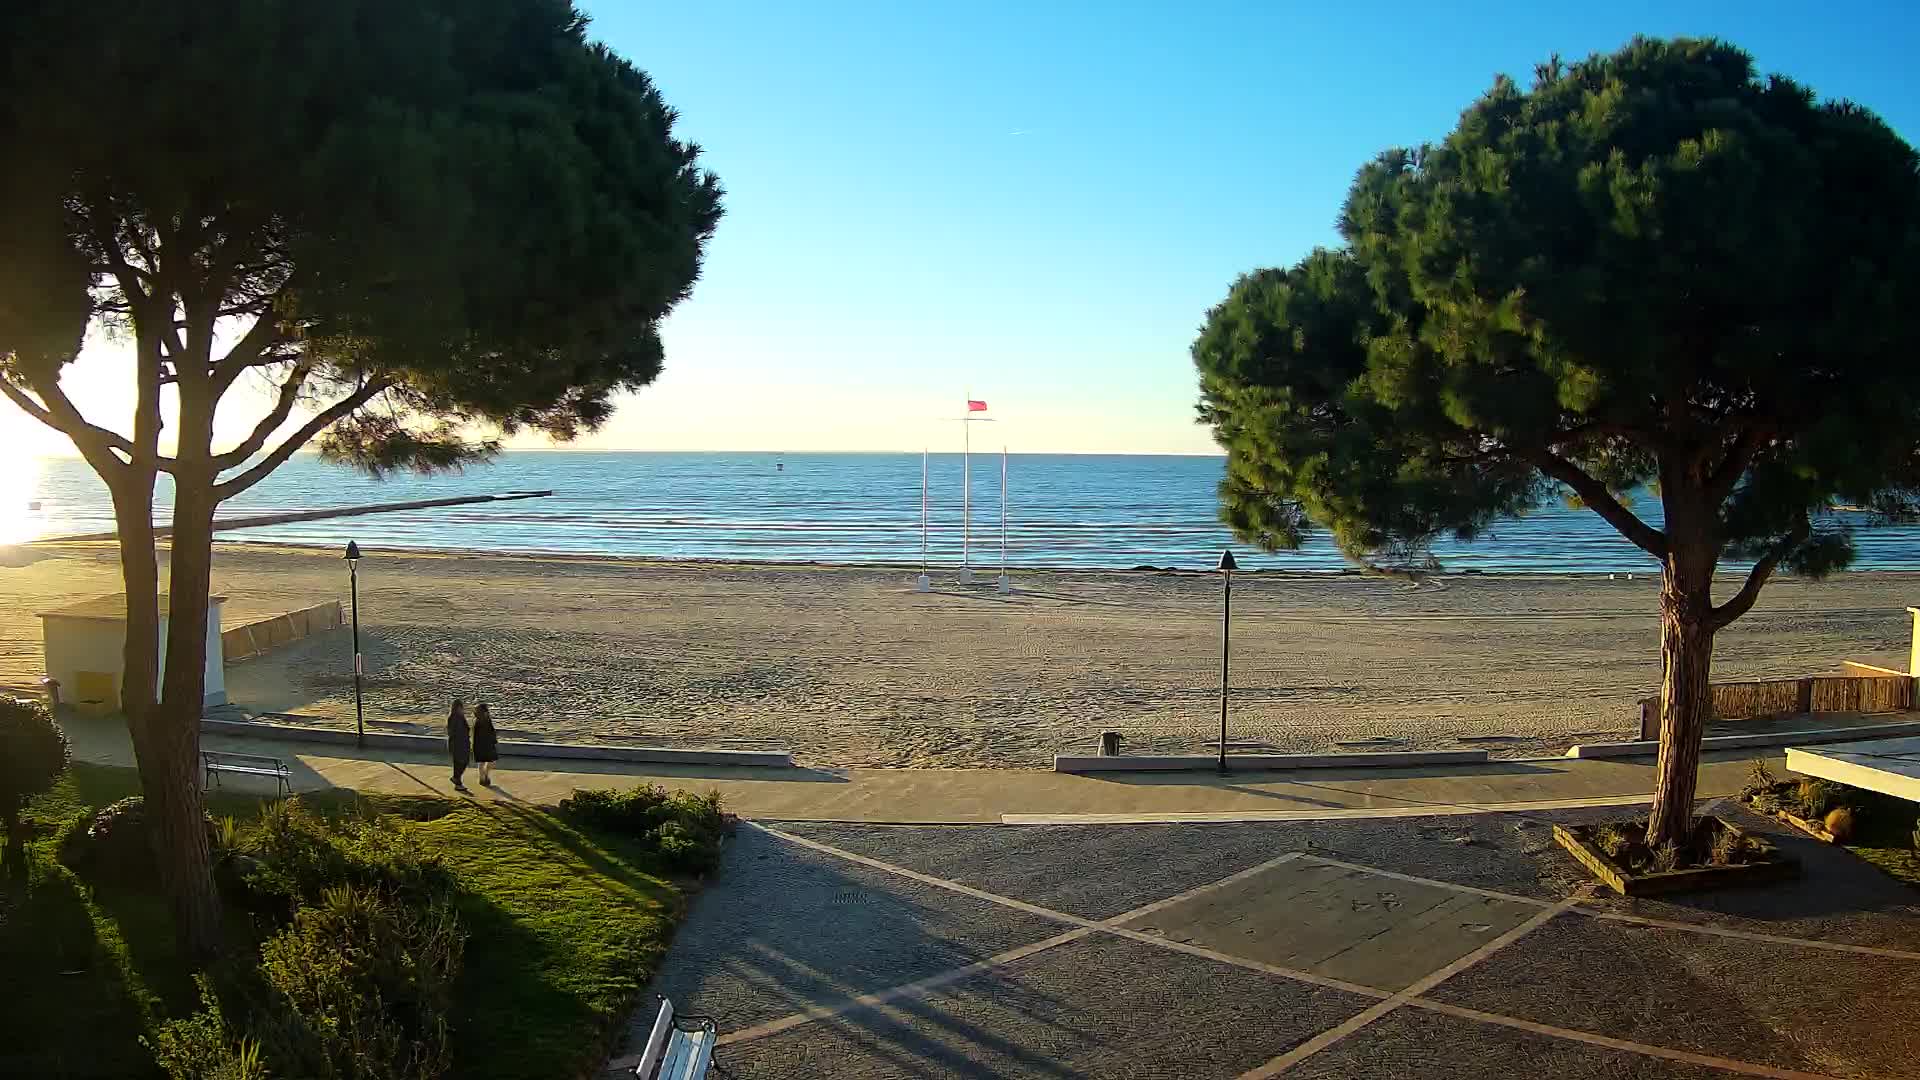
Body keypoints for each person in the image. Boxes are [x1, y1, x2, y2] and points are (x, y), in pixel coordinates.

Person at [473, 700, 500, 786]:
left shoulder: (486, 720)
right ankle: (483, 778)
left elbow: (492, 731)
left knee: (489, 761)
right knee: (483, 762)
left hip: (487, 744)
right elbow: (477, 735)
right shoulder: (478, 721)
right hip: (482, 744)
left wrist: (494, 740)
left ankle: (485, 776)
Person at [447, 698, 471, 792]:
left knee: (460, 763)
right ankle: (457, 781)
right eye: (461, 707)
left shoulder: (460, 717)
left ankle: (457, 780)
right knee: (461, 762)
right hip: (458, 744)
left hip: (462, 743)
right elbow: (453, 732)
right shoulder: (454, 717)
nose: (462, 709)